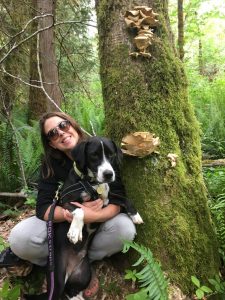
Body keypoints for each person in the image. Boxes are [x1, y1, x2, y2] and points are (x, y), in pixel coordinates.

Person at [0, 111, 137, 298]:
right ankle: (58, 265)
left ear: (73, 125)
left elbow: (118, 196)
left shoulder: (103, 150)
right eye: (52, 133)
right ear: (51, 143)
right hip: (63, 228)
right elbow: (42, 208)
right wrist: (68, 213)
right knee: (19, 238)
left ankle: (82, 265)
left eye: (63, 125)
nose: (61, 133)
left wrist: (95, 216)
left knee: (125, 229)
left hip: (96, 228)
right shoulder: (50, 164)